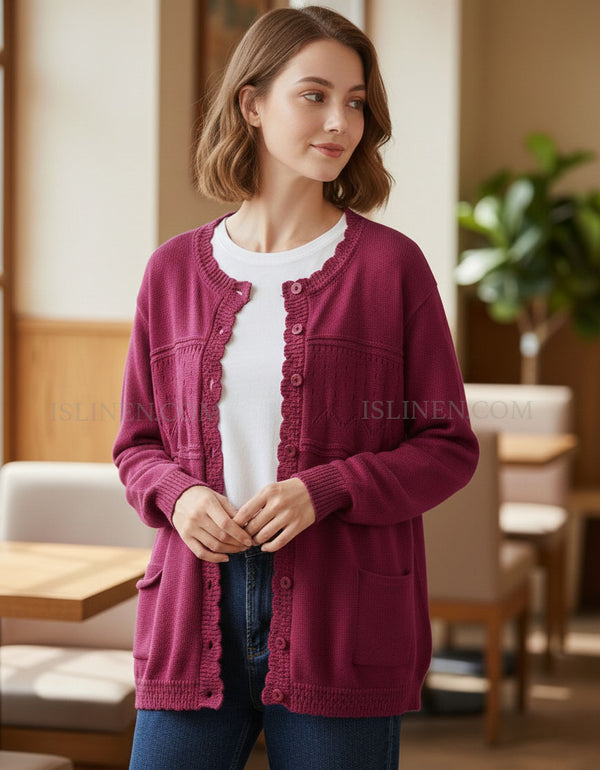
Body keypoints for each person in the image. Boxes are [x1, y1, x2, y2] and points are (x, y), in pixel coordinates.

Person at [113, 5, 479, 769]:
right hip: (192, 615)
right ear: (252, 104)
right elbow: (137, 445)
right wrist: (179, 496)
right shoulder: (173, 272)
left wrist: (330, 487)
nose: (339, 121)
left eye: (355, 101)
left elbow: (448, 446)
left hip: (343, 619)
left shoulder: (392, 268)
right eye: (314, 95)